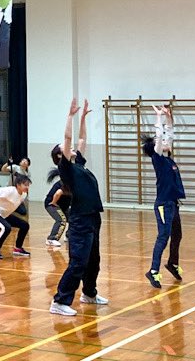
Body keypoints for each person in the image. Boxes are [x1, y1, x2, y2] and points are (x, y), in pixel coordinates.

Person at [50, 98, 107, 316]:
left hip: (93, 217)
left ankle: (89, 294)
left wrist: (83, 118)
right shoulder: (66, 169)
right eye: (65, 148)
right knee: (78, 262)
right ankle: (60, 301)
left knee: (94, 260)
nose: (72, 147)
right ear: (59, 156)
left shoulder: (79, 165)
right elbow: (68, 137)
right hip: (81, 219)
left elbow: (82, 138)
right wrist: (70, 116)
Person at [143, 104, 186, 288]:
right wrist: (159, 117)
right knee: (163, 236)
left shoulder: (168, 159)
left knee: (177, 235)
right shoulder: (158, 159)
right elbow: (160, 136)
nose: (167, 143)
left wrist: (169, 117)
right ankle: (153, 271)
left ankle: (172, 264)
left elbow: (169, 134)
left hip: (173, 204)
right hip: (163, 204)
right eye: (161, 143)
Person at [0, 173, 32, 260]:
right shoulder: (9, 190)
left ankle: (18, 248)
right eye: (25, 185)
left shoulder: (24, 194)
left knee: (25, 225)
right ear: (18, 185)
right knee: (6, 228)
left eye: (28, 185)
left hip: (5, 215)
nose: (27, 187)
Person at [43, 168, 69, 248]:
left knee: (74, 217)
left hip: (63, 206)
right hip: (52, 204)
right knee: (61, 219)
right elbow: (58, 193)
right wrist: (54, 203)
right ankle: (51, 239)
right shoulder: (66, 183)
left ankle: (69, 235)